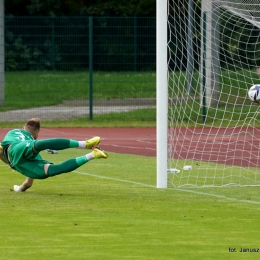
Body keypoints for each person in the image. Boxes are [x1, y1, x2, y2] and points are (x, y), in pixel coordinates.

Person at [0, 118, 108, 192]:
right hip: (20, 151)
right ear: (36, 135)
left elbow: (28, 184)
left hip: (17, 152)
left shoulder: (13, 132)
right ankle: (87, 147)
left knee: (53, 167)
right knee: (44, 151)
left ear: (23, 128)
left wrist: (19, 188)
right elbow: (28, 182)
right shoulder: (28, 142)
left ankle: (93, 154)